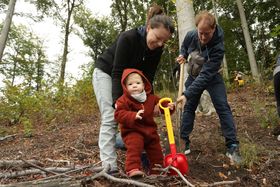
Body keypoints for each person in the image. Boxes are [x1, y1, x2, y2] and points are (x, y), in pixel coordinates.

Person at [92, 4, 175, 174]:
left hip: (132, 81)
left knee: (140, 117)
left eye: (164, 41)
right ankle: (109, 168)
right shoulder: (128, 38)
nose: (159, 44)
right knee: (111, 115)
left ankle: (130, 146)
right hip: (107, 73)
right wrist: (117, 102)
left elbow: (147, 80)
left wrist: (152, 104)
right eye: (157, 38)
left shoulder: (158, 49)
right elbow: (116, 72)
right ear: (148, 28)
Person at [176, 10, 241, 164]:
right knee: (189, 107)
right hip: (193, 75)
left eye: (207, 33)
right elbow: (184, 47)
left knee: (222, 106)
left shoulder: (218, 47)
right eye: (201, 33)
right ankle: (183, 140)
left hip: (212, 77)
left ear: (214, 29)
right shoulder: (192, 35)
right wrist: (183, 54)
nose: (203, 37)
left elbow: (205, 76)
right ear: (196, 29)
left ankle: (232, 144)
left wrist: (186, 94)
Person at [114, 68, 174, 177]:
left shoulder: (151, 98)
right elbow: (118, 114)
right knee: (134, 146)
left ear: (144, 84)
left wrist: (168, 107)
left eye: (138, 83)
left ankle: (157, 170)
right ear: (125, 87)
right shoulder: (123, 100)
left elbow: (161, 105)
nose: (134, 85)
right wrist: (132, 115)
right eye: (130, 84)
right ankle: (133, 169)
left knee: (156, 150)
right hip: (132, 131)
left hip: (150, 131)